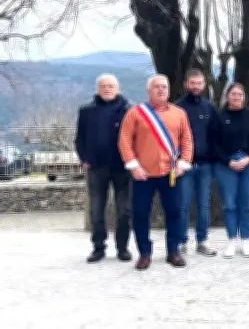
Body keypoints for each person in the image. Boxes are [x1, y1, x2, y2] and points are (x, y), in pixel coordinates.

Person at [118, 74, 193, 270]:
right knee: (141, 214)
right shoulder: (135, 113)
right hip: (143, 174)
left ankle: (173, 251)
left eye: (164, 87)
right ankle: (144, 253)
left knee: (174, 212)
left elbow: (187, 141)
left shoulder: (179, 113)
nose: (161, 90)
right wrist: (133, 166)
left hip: (171, 173)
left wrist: (183, 163)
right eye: (156, 87)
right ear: (148, 90)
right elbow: (124, 141)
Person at [75, 74, 133, 263]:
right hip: (97, 167)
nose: (107, 89)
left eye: (111, 86)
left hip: (122, 167)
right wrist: (84, 158)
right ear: (98, 88)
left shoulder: (129, 109)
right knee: (96, 209)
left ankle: (122, 247)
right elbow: (79, 138)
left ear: (118, 88)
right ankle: (98, 247)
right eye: (104, 86)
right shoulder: (86, 111)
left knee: (124, 210)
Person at [214, 83, 249, 258]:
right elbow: (214, 144)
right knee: (229, 204)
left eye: (240, 94)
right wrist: (228, 161)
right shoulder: (219, 117)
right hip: (225, 164)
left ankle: (246, 239)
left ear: (245, 97)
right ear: (227, 96)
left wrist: (248, 158)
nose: (237, 97)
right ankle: (232, 240)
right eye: (233, 94)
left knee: (248, 202)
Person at [174, 69, 218, 257]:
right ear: (186, 84)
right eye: (192, 83)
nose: (196, 87)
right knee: (182, 205)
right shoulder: (176, 108)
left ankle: (202, 241)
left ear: (204, 84)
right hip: (184, 165)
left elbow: (216, 135)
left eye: (199, 83)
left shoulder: (209, 108)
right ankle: (181, 242)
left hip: (206, 165)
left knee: (203, 205)